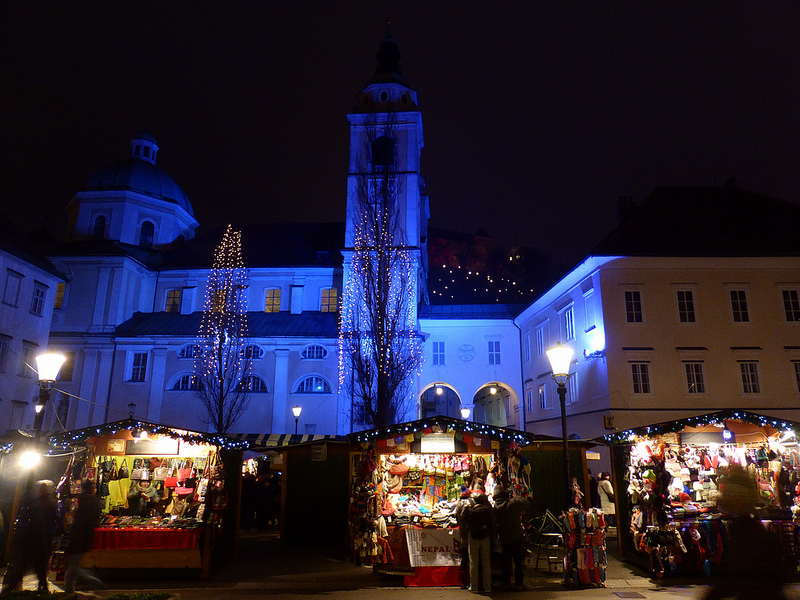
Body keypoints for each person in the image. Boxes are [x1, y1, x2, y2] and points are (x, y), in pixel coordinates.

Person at [1, 480, 58, 594]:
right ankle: (41, 590)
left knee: (27, 568)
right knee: (36, 569)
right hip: (38, 542)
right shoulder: (48, 504)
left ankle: (10, 590)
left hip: (33, 541)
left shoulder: (37, 504)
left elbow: (37, 523)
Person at [64, 479, 105, 594]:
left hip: (78, 534)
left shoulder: (81, 500)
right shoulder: (93, 500)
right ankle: (94, 582)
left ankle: (70, 589)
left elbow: (80, 518)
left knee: (73, 564)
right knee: (74, 564)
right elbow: (95, 517)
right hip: (84, 535)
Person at [492, 485, 528, 591]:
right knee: (518, 562)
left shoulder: (495, 508)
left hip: (504, 538)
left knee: (506, 562)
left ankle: (506, 582)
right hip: (516, 537)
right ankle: (519, 584)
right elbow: (525, 502)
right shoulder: (512, 504)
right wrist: (516, 496)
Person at [466, 491, 495, 593]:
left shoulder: (470, 510)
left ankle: (474, 586)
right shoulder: (488, 510)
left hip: (473, 537)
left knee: (474, 562)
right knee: (486, 562)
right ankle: (487, 587)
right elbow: (492, 523)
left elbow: (464, 522)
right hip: (485, 537)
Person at [454, 484, 474, 588]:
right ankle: (473, 581)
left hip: (463, 533)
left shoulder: (458, 504)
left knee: (464, 557)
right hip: (472, 533)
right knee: (473, 558)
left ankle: (463, 582)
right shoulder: (471, 502)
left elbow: (457, 518)